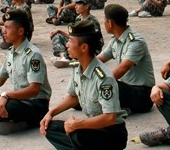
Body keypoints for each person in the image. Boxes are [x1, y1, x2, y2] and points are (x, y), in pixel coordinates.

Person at [40, 20, 128, 150]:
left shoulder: (103, 77)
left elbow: (110, 117)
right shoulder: (77, 67)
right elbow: (73, 97)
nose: (67, 45)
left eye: (70, 41)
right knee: (50, 127)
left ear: (84, 47)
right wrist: (51, 113)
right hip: (92, 129)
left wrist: (77, 124)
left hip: (111, 133)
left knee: (77, 134)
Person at [98, 4, 155, 114]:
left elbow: (122, 68)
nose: (103, 23)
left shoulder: (135, 42)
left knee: (106, 85)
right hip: (127, 89)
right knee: (82, 97)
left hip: (142, 95)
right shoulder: (116, 40)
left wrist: (97, 82)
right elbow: (99, 59)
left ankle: (119, 108)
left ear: (110, 23)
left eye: (104, 20)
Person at [51, 0, 101, 68]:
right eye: (76, 4)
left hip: (89, 48)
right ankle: (64, 57)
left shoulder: (92, 21)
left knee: (75, 43)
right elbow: (74, 36)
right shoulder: (78, 18)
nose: (75, 6)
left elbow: (93, 41)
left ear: (87, 6)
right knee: (57, 36)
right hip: (79, 43)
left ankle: (71, 59)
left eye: (79, 4)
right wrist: (60, 32)